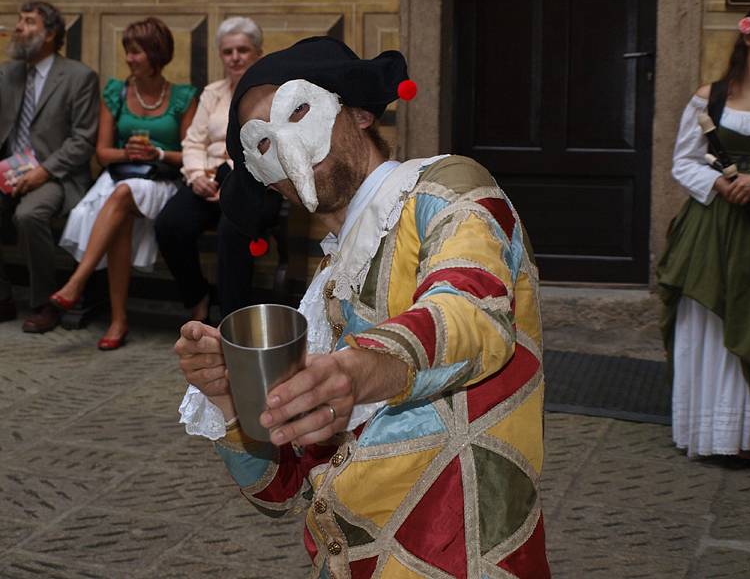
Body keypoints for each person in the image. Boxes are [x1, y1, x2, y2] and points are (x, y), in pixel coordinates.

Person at [174, 37, 550, 578]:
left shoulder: (447, 192)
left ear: (359, 112)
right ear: (265, 181)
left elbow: (471, 315)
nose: (287, 145)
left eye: (298, 111)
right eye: (261, 145)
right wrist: (232, 399)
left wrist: (363, 367)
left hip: (464, 558)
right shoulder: (325, 287)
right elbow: (279, 492)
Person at [657, 1, 750, 464]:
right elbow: (683, 161)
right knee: (710, 320)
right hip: (712, 225)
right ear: (749, 35)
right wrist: (717, 181)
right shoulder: (709, 97)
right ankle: (711, 434)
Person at [51, 17, 197, 349]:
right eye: (127, 52)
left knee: (122, 196)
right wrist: (126, 152)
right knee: (121, 204)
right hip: (120, 175)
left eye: (136, 52)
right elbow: (102, 152)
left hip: (162, 181)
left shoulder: (183, 97)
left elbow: (190, 155)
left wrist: (158, 153)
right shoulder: (115, 92)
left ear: (156, 53)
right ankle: (118, 319)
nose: (129, 59)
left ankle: (78, 282)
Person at [155, 16, 281, 322]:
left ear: (258, 53)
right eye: (228, 52)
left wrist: (230, 177)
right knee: (170, 224)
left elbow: (275, 147)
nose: (235, 57)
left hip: (257, 183)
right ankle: (197, 295)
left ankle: (232, 321)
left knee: (232, 229)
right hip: (208, 180)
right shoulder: (212, 93)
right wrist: (196, 176)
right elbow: (193, 142)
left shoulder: (274, 93)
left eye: (243, 50)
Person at [0, 1, 99, 333]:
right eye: (19, 20)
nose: (18, 27)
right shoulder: (7, 73)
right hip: (8, 170)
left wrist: (42, 172)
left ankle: (45, 303)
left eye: (28, 22)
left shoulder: (78, 76)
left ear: (50, 33)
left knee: (28, 215)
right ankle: (3, 296)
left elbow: (82, 140)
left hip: (55, 174)